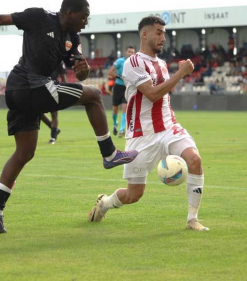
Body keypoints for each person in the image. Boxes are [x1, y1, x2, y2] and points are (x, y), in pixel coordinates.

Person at [0, 0, 138, 234]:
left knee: (25, 152)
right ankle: (109, 153)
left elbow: (80, 74)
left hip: (20, 93)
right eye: (84, 17)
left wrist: (84, 69)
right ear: (69, 13)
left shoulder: (72, 38)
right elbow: (2, 18)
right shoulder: (38, 17)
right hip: (29, 85)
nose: (86, 23)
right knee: (95, 96)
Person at [88, 16, 209, 231]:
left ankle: (192, 219)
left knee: (194, 160)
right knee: (134, 194)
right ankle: (105, 203)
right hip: (141, 136)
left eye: (164, 32)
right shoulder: (133, 62)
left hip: (168, 127)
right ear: (145, 34)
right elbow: (152, 94)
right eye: (159, 32)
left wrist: (176, 74)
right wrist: (181, 73)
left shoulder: (161, 63)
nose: (163, 37)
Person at [108, 46, 136, 137]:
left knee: (125, 108)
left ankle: (121, 129)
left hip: (127, 87)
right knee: (115, 109)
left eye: (132, 52)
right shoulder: (120, 61)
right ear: (126, 52)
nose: (131, 54)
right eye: (129, 52)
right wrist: (120, 77)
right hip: (118, 87)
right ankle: (115, 123)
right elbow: (110, 72)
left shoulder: (135, 63)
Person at [40, 61, 66, 144]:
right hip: (41, 87)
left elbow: (63, 77)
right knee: (39, 113)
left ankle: (53, 138)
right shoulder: (40, 58)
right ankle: (55, 129)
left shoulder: (59, 61)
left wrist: (63, 90)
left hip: (53, 86)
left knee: (54, 113)